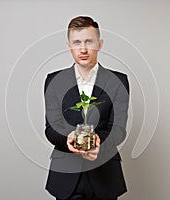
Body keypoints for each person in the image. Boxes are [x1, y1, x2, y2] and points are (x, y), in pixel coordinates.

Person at [44, 16, 129, 200]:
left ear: (99, 44)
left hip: (105, 176)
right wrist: (68, 137)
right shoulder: (54, 81)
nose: (83, 49)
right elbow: (51, 128)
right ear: (69, 46)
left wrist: (100, 143)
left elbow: (119, 129)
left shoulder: (118, 81)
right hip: (65, 177)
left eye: (89, 42)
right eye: (77, 42)